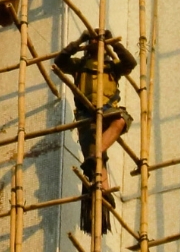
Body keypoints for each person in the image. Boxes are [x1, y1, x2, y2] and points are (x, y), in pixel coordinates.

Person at [54, 30, 136, 233]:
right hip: (86, 115)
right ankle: (104, 191)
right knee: (99, 163)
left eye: (98, 40)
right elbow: (60, 61)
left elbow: (130, 63)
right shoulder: (79, 66)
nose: (95, 42)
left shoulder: (112, 67)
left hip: (109, 110)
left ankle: (95, 155)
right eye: (92, 39)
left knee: (121, 121)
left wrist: (113, 43)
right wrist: (79, 41)